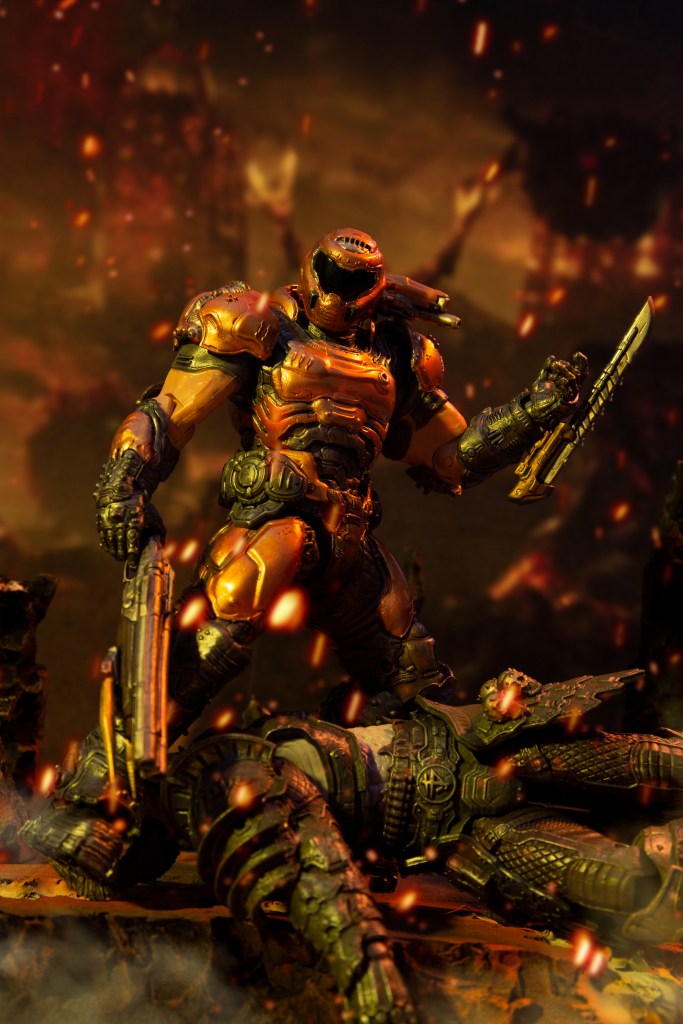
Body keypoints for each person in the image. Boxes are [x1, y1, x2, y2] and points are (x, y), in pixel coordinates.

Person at [93, 227, 587, 734]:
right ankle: (116, 757)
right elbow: (169, 412)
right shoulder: (256, 323)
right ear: (311, 270)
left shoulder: (398, 354)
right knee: (214, 634)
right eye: (331, 275)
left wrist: (530, 413)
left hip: (349, 536)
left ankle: (329, 753)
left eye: (354, 281)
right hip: (274, 519)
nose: (336, 294)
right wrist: (123, 484)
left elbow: (450, 459)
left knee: (413, 682)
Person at [21, 665, 683, 1024]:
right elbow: (323, 876)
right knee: (632, 882)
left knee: (657, 763)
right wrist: (376, 992)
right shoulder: (226, 790)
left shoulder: (227, 763)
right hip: (467, 835)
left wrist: (486, 695)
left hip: (473, 744)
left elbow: (325, 868)